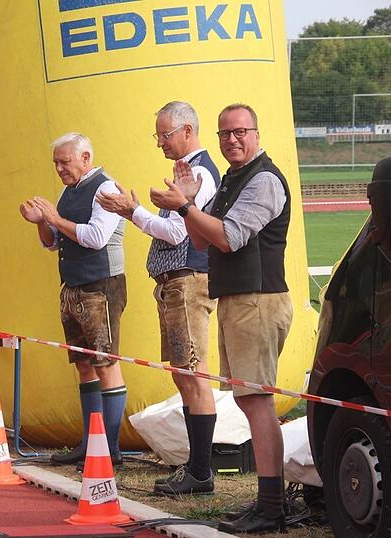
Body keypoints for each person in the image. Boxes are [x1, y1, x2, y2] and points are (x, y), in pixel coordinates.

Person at [150, 104, 292, 533]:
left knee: (257, 402)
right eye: (225, 133)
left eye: (240, 132)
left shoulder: (263, 179)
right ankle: (266, 501)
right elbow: (199, 237)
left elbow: (228, 238)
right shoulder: (232, 178)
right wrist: (187, 206)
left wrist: (185, 207)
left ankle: (271, 504)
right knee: (250, 401)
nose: (231, 139)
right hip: (236, 299)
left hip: (258, 300)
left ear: (256, 133)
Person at [97, 101, 219, 497]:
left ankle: (201, 471)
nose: (161, 144)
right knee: (183, 373)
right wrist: (140, 212)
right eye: (158, 136)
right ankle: (196, 467)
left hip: (187, 280)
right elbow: (172, 227)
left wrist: (133, 212)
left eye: (164, 135)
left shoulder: (199, 173)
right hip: (173, 282)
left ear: (187, 131)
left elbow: (177, 234)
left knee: (192, 373)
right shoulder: (189, 172)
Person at [19, 132, 128, 467]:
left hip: (101, 286)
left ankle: (109, 449)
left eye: (64, 162)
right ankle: (91, 442)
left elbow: (96, 238)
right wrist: (41, 223)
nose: (59, 168)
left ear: (86, 158)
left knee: (106, 364)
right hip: (73, 286)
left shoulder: (106, 189)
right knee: (84, 366)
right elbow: (53, 242)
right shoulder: (70, 191)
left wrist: (53, 218)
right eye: (56, 163)